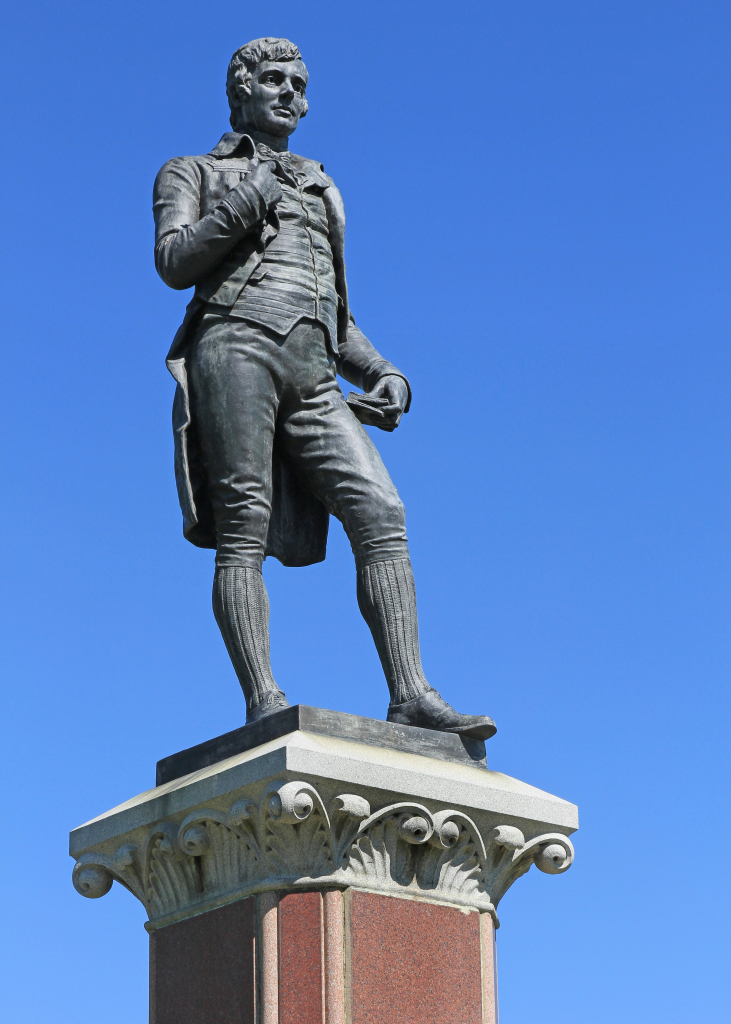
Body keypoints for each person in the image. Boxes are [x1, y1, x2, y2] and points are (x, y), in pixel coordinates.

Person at [153, 37, 496, 740]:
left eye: (299, 84)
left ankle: (411, 693)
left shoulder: (319, 183)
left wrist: (382, 371)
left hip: (314, 370)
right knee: (242, 523)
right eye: (274, 79)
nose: (290, 93)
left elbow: (335, 312)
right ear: (241, 90)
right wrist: (247, 199)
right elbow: (173, 260)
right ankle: (263, 698)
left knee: (381, 510)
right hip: (235, 344)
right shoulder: (192, 171)